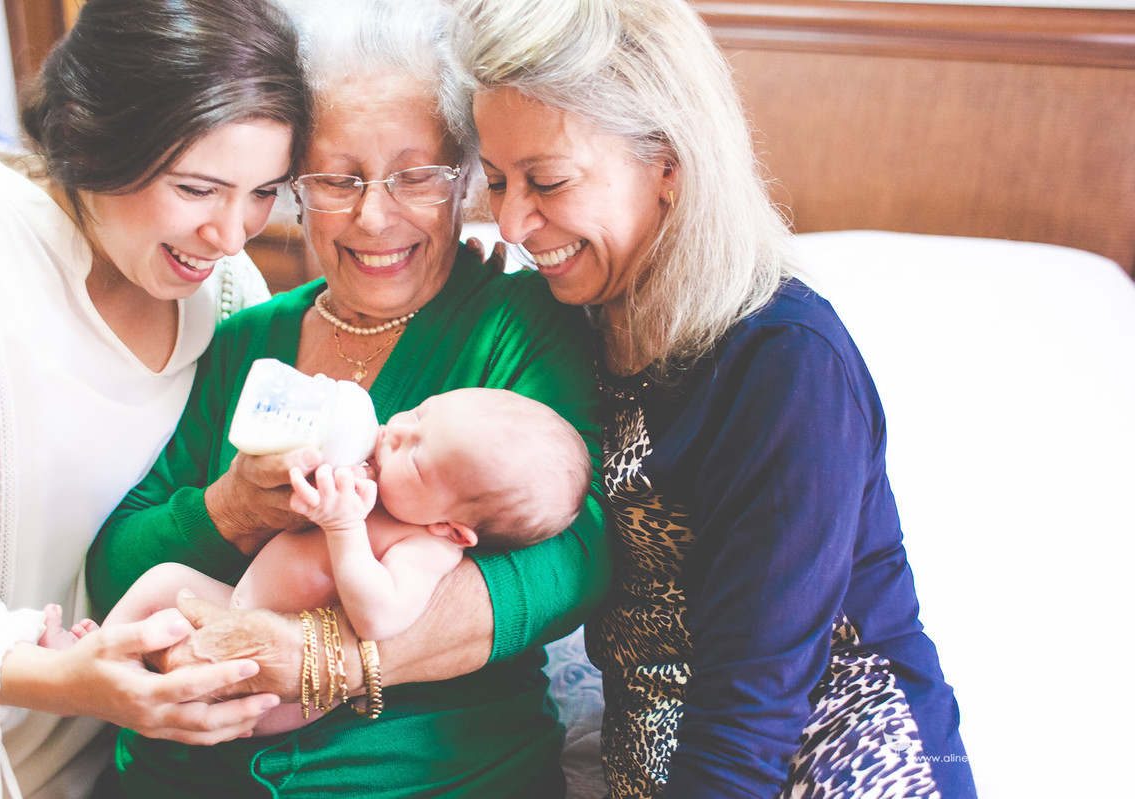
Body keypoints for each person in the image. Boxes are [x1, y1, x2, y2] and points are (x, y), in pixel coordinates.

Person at [83, 0, 610, 796]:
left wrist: (327, 654)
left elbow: (581, 552)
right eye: (337, 179)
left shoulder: (519, 322)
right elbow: (115, 560)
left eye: (415, 176)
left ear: (465, 180)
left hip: (430, 774)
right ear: (294, 188)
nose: (372, 215)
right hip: (183, 769)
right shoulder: (243, 335)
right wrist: (232, 508)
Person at [458, 0, 977, 796]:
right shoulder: (572, 322)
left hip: (835, 755)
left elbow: (752, 708)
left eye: (548, 181)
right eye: (496, 180)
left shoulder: (786, 365)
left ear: (667, 160)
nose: (513, 221)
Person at [0, 0, 310, 796]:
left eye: (264, 192)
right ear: (89, 136)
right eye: (198, 188)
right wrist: (61, 679)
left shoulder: (231, 296)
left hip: (131, 768)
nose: (233, 234)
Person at [103, 386, 591, 734]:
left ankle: (114, 683)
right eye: (418, 414)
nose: (395, 430)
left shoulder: (428, 547)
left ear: (453, 526)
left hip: (284, 691)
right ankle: (97, 657)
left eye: (416, 457)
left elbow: (378, 617)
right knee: (165, 581)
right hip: (234, 606)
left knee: (184, 680)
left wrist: (343, 527)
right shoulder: (382, 488)